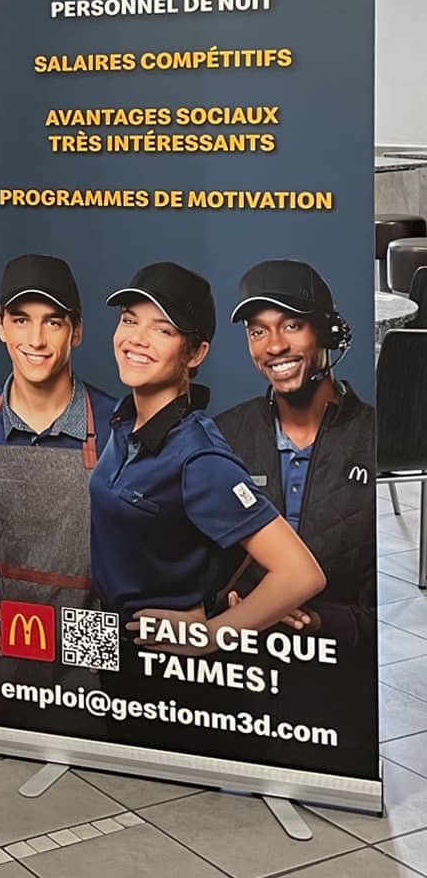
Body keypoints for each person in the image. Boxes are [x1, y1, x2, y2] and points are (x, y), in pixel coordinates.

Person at [90, 262, 325, 649]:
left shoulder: (199, 458)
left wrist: (210, 634)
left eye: (162, 329)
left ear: (195, 353)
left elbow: (301, 574)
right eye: (130, 320)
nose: (137, 339)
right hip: (106, 639)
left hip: (154, 661)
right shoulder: (123, 419)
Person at [213, 260, 378, 773]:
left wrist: (323, 621)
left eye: (291, 324)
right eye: (257, 330)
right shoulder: (223, 436)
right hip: (238, 688)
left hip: (344, 695)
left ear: (327, 331)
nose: (274, 346)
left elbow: (392, 604)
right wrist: (232, 604)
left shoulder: (375, 439)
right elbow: (195, 567)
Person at [0, 255, 115, 726]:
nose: (35, 339)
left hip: (90, 623)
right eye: (21, 320)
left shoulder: (115, 425)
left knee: (84, 737)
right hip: (13, 620)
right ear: (0, 326)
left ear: (77, 331)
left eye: (53, 322)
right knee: (6, 740)